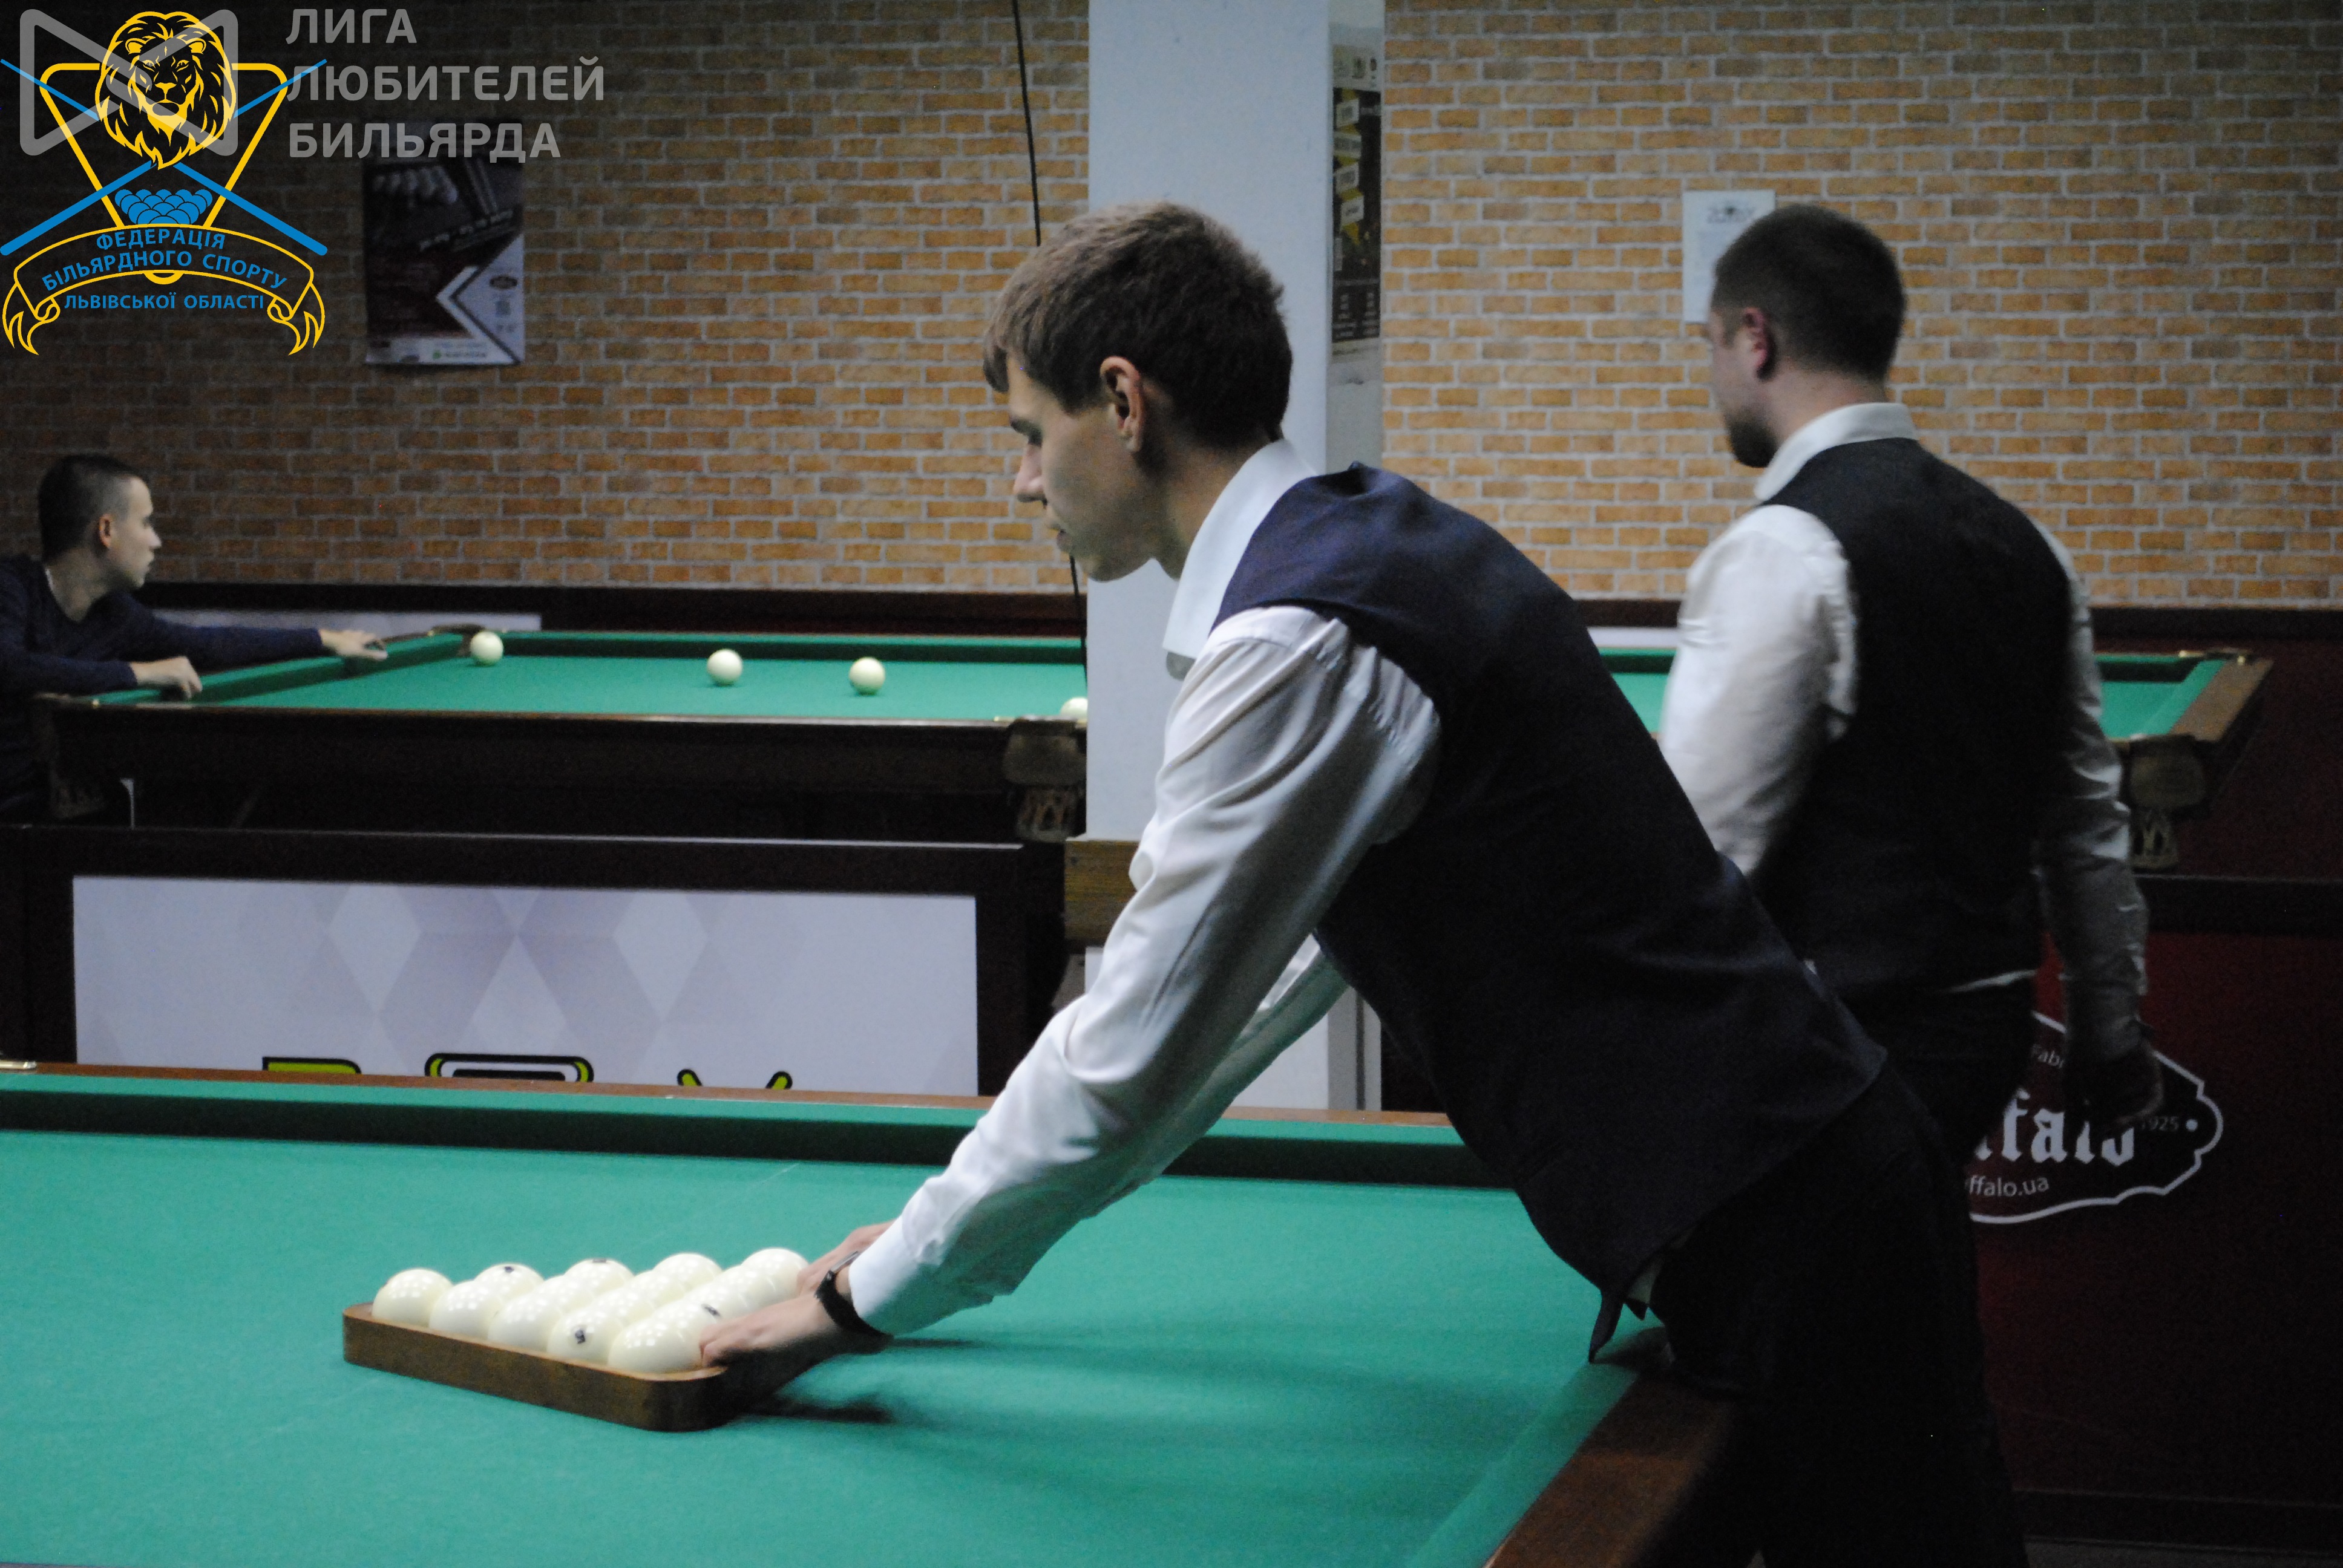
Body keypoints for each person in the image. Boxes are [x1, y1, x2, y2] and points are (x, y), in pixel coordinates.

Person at [706, 202, 2027, 1566]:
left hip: (1788, 1222)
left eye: (1030, 435)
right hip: (1800, 1191)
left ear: (1125, 403)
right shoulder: (1372, 546)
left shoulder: (1300, 634)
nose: (1023, 484)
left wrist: (864, 1299)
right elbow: (1249, 985)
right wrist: (932, 1244)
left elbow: (1132, 1052)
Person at [1659, 206, 2161, 1161]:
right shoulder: (2031, 547)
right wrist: (2108, 1030)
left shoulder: (1781, 549)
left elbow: (1703, 854)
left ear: (1756, 338)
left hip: (1828, 1053)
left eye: (1712, 344)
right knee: (1918, 1257)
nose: (1713, 375)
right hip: (1986, 1037)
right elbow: (2084, 824)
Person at [0, 454, 386, 820]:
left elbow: (206, 646)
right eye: (146, 523)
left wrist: (321, 639)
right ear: (106, 531)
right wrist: (138, 673)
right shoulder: (11, 585)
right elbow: (9, 666)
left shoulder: (116, 614)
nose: (156, 541)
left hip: (68, 811)